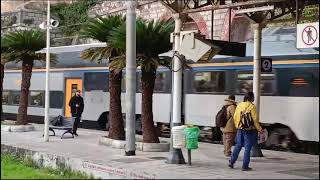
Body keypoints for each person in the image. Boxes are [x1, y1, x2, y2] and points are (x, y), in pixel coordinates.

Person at [228, 92, 263, 171]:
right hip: (249, 130)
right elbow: (255, 120)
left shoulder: (239, 105)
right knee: (247, 148)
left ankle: (231, 162)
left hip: (240, 129)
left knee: (238, 145)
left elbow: (235, 117)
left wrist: (238, 126)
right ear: (251, 98)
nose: (254, 99)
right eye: (253, 97)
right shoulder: (252, 107)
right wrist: (259, 129)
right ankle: (245, 166)